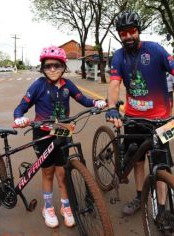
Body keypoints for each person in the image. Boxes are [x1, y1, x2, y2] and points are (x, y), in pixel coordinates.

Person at [105, 11, 174, 217]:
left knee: (162, 165)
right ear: (120, 35)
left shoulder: (155, 50)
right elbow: (114, 83)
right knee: (138, 160)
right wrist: (112, 106)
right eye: (123, 33)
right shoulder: (118, 56)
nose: (128, 36)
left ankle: (161, 208)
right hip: (133, 117)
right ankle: (139, 196)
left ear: (138, 31)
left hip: (162, 121)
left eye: (132, 31)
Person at [13, 46, 106, 228]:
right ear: (43, 68)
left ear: (63, 67)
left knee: (62, 173)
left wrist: (96, 102)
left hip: (63, 132)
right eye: (48, 66)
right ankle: (47, 207)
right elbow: (21, 107)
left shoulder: (67, 85)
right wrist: (19, 118)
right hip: (43, 134)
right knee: (48, 172)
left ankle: (65, 206)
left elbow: (82, 99)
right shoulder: (38, 85)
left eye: (57, 65)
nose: (53, 69)